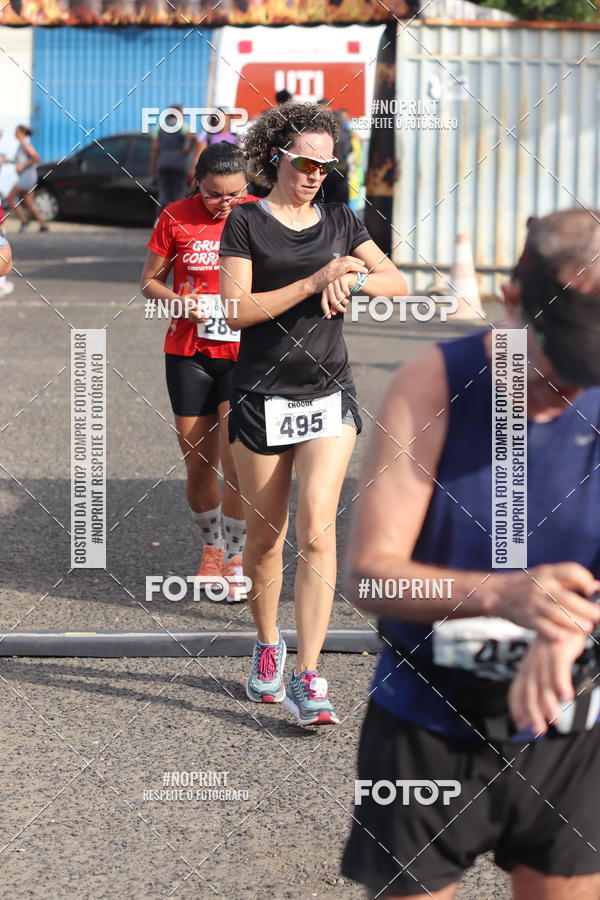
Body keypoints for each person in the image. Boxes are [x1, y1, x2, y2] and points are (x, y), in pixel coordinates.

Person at [341, 209, 600, 898]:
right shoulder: (432, 385)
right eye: (562, 363)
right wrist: (506, 595)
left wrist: (573, 631)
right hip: (427, 723)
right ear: (512, 300)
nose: (573, 391)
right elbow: (369, 575)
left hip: (570, 734)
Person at [219, 101, 407, 724]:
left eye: (325, 166)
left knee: (318, 532)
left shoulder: (340, 217)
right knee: (266, 543)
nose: (314, 174)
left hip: (328, 393)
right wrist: (313, 279)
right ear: (276, 158)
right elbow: (237, 312)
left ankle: (309, 674)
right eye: (304, 162)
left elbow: (398, 284)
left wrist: (352, 272)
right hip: (260, 398)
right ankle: (268, 646)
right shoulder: (245, 223)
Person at [141, 142, 257, 601]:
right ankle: (211, 547)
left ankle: (235, 557)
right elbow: (149, 282)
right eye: (214, 195)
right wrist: (178, 302)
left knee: (237, 464)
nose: (225, 203)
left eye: (233, 194)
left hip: (242, 354)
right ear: (197, 183)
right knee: (198, 465)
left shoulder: (257, 215)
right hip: (188, 352)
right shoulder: (174, 216)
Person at [149, 105, 195, 211]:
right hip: (180, 163)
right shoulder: (183, 126)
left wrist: (152, 168)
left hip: (163, 163)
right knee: (179, 194)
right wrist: (186, 149)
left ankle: (160, 220)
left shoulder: (159, 128)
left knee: (163, 194)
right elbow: (192, 138)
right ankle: (177, 220)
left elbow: (155, 148)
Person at [7, 125, 48, 233]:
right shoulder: (21, 145)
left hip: (27, 177)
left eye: (16, 131)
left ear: (21, 132)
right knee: (29, 202)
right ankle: (43, 225)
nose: (14, 133)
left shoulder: (25, 144)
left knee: (10, 198)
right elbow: (18, 161)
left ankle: (24, 220)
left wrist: (22, 166)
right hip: (27, 177)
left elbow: (36, 157)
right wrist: (7, 160)